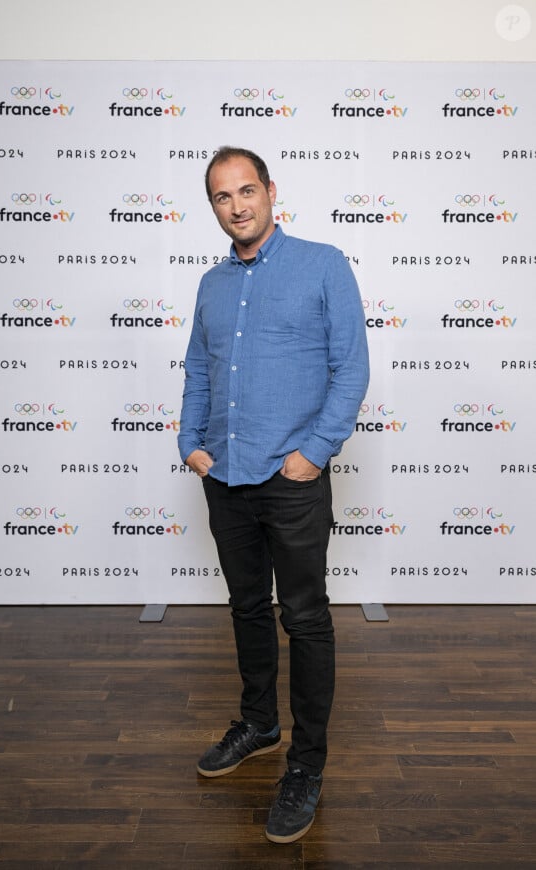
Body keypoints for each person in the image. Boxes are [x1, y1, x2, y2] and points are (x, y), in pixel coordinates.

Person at [178, 146, 369, 844]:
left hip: (291, 481)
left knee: (306, 616)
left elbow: (351, 369)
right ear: (215, 207)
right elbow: (199, 369)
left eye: (247, 190)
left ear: (269, 192)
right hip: (224, 476)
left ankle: (307, 765)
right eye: (223, 197)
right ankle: (259, 723)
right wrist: (190, 444)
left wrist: (311, 455)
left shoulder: (323, 264)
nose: (238, 206)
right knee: (247, 607)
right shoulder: (211, 284)